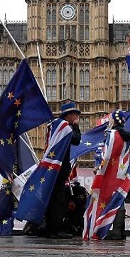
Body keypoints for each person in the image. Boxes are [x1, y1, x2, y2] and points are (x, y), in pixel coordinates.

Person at [85, 110, 130, 240]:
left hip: (111, 172)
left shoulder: (113, 134)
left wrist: (99, 168)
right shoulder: (127, 137)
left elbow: (107, 154)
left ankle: (115, 231)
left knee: (107, 198)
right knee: (119, 198)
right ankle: (120, 231)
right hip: (122, 172)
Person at [44, 100, 82, 239]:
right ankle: (56, 230)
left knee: (51, 198)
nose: (76, 118)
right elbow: (76, 140)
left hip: (51, 167)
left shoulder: (53, 125)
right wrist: (76, 127)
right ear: (68, 115)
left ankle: (49, 229)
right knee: (58, 200)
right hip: (58, 168)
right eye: (75, 115)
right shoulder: (64, 126)